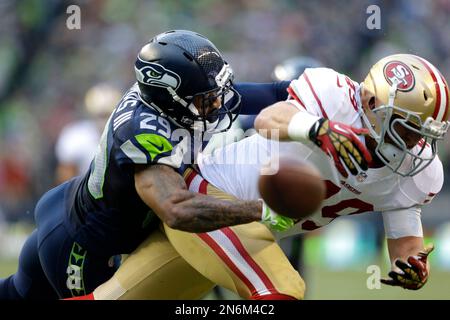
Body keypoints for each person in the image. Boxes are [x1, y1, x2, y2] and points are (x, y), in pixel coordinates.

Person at [79, 53, 447, 300]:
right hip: (209, 200)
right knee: (283, 290)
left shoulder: (418, 173)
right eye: (408, 127)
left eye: (425, 134)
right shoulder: (332, 95)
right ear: (372, 104)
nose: (416, 143)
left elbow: (405, 242)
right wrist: (317, 128)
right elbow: (270, 120)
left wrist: (412, 266)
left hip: (251, 230)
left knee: (111, 298)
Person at [0, 30, 297, 299]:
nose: (218, 104)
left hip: (77, 216)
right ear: (170, 99)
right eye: (206, 99)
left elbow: (274, 93)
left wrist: (327, 105)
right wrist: (260, 210)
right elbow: (176, 209)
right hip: (83, 249)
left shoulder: (184, 100)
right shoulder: (142, 130)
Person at [54, 83, 121, 184]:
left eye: (109, 114)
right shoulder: (76, 136)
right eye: (101, 115)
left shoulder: (125, 134)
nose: (105, 120)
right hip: (85, 195)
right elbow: (65, 178)